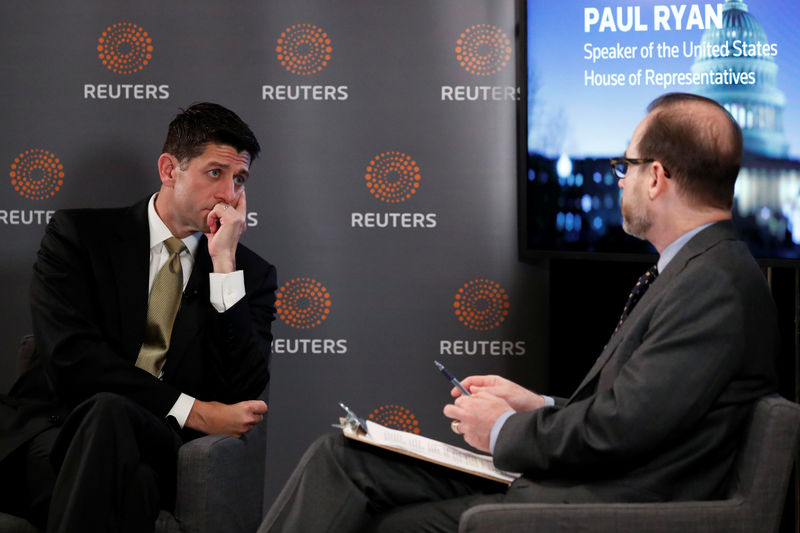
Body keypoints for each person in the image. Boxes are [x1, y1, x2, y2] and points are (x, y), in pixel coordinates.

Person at [258, 92, 778, 533]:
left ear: (657, 178)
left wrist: (504, 429)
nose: (620, 180)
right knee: (343, 458)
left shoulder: (714, 284)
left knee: (387, 520)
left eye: (626, 167)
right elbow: (636, 410)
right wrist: (536, 404)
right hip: (582, 479)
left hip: (607, 504)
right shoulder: (698, 270)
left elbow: (618, 433)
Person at [0, 102, 277, 532]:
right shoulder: (79, 237)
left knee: (117, 425)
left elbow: (241, 388)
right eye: (215, 173)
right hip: (57, 434)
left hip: (157, 440)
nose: (230, 194)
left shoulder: (250, 276)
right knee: (134, 482)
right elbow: (73, 360)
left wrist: (224, 264)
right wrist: (194, 411)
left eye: (239, 179)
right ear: (170, 169)